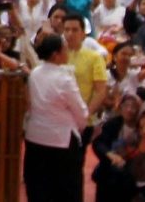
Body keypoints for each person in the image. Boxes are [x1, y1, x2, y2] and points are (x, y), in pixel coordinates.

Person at [24, 34, 89, 202]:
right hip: (61, 141)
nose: (67, 52)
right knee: (66, 190)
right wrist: (82, 125)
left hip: (35, 137)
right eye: (65, 49)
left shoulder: (35, 73)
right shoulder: (64, 79)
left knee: (39, 187)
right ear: (55, 54)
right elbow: (81, 112)